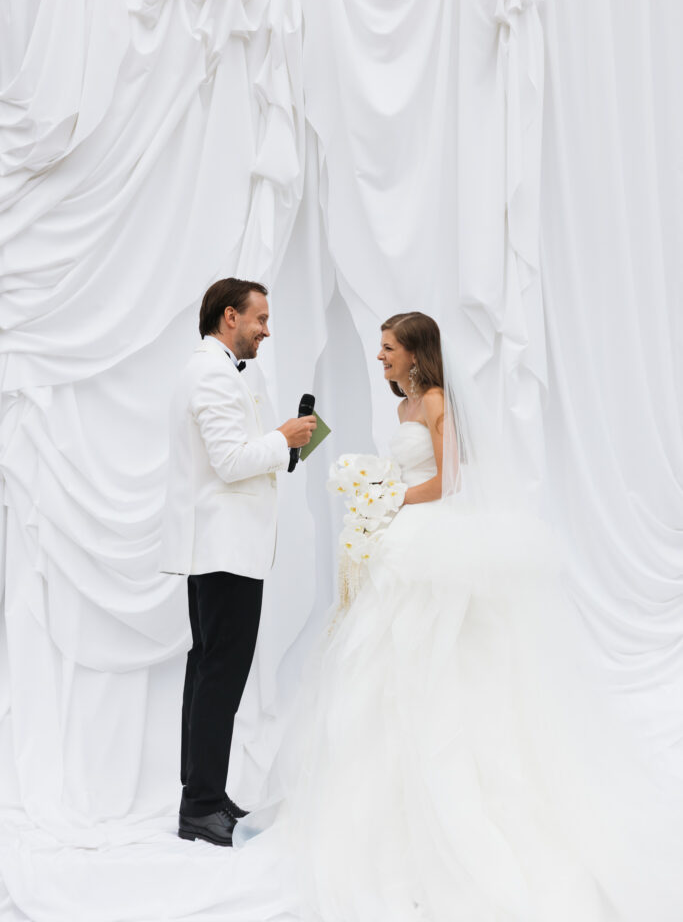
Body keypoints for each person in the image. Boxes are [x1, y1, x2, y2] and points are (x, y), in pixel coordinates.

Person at [235, 311, 681, 922]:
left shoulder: (439, 401)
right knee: (377, 666)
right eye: (379, 348)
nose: (379, 358)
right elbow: (411, 473)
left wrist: (383, 496)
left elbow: (448, 483)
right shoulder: (401, 410)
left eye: (388, 348)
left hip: (428, 539)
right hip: (398, 534)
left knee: (440, 662)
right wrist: (379, 489)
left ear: (416, 354)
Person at [159, 278, 316, 848]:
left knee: (207, 675)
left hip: (220, 548)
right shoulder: (212, 373)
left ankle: (201, 792)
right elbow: (229, 461)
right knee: (219, 678)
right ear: (230, 317)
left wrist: (286, 440)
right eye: (261, 319)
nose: (267, 330)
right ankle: (200, 807)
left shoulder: (216, 371)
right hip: (225, 550)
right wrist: (284, 436)